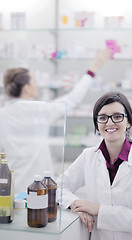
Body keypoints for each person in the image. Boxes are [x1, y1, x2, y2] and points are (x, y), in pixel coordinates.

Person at [0, 48, 110, 194]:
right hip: (38, 184)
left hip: (13, 183)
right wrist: (94, 68)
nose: (36, 84)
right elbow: (73, 98)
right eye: (33, 81)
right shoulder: (38, 110)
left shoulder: (3, 113)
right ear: (26, 87)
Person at [57, 91, 132, 240]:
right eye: (103, 118)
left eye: (117, 116)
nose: (110, 123)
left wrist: (98, 210)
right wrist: (75, 204)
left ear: (129, 121)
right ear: (97, 123)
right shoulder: (88, 156)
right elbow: (59, 187)